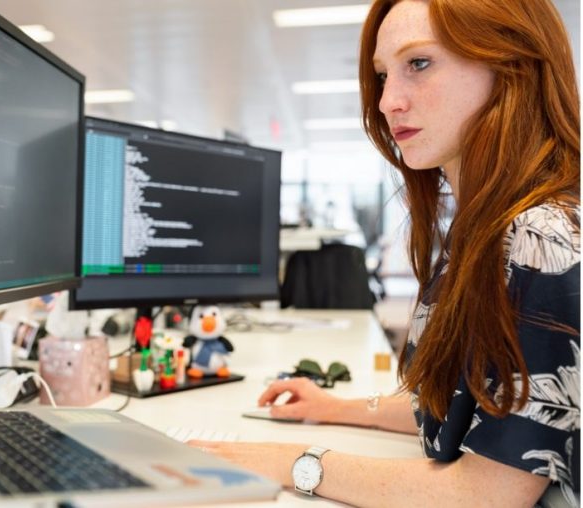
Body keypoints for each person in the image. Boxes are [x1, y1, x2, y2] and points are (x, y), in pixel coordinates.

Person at [189, 0, 580, 505]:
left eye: (419, 64)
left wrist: (293, 462)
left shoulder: (540, 236)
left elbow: (490, 493)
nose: (386, 101)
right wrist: (337, 408)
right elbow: (474, 407)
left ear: (512, 65)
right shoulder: (484, 228)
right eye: (382, 75)